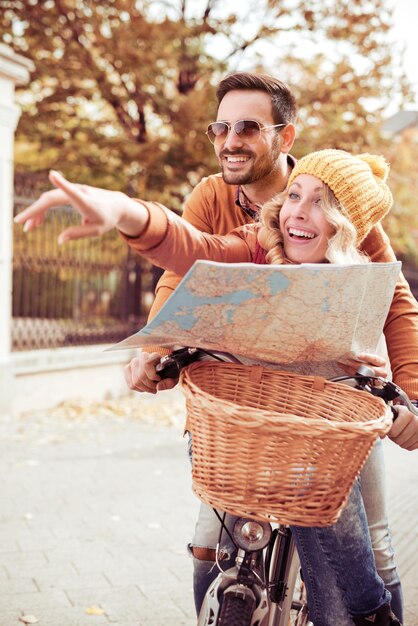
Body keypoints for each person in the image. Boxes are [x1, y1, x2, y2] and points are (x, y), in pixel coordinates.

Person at [14, 148, 418, 626]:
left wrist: (409, 400)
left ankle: (376, 612)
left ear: (348, 226)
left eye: (321, 204)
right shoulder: (252, 240)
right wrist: (124, 210)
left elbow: (399, 310)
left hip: (329, 428)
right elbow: (189, 253)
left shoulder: (365, 263)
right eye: (294, 196)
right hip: (247, 423)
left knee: (366, 556)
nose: (299, 212)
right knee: (211, 536)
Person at [119, 71, 418, 622]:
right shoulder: (215, 198)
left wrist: (412, 400)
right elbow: (187, 266)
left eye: (249, 127)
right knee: (209, 537)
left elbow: (395, 300)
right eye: (221, 127)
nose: (230, 140)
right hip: (241, 393)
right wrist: (154, 345)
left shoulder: (336, 198)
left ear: (285, 135)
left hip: (334, 395)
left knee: (374, 540)